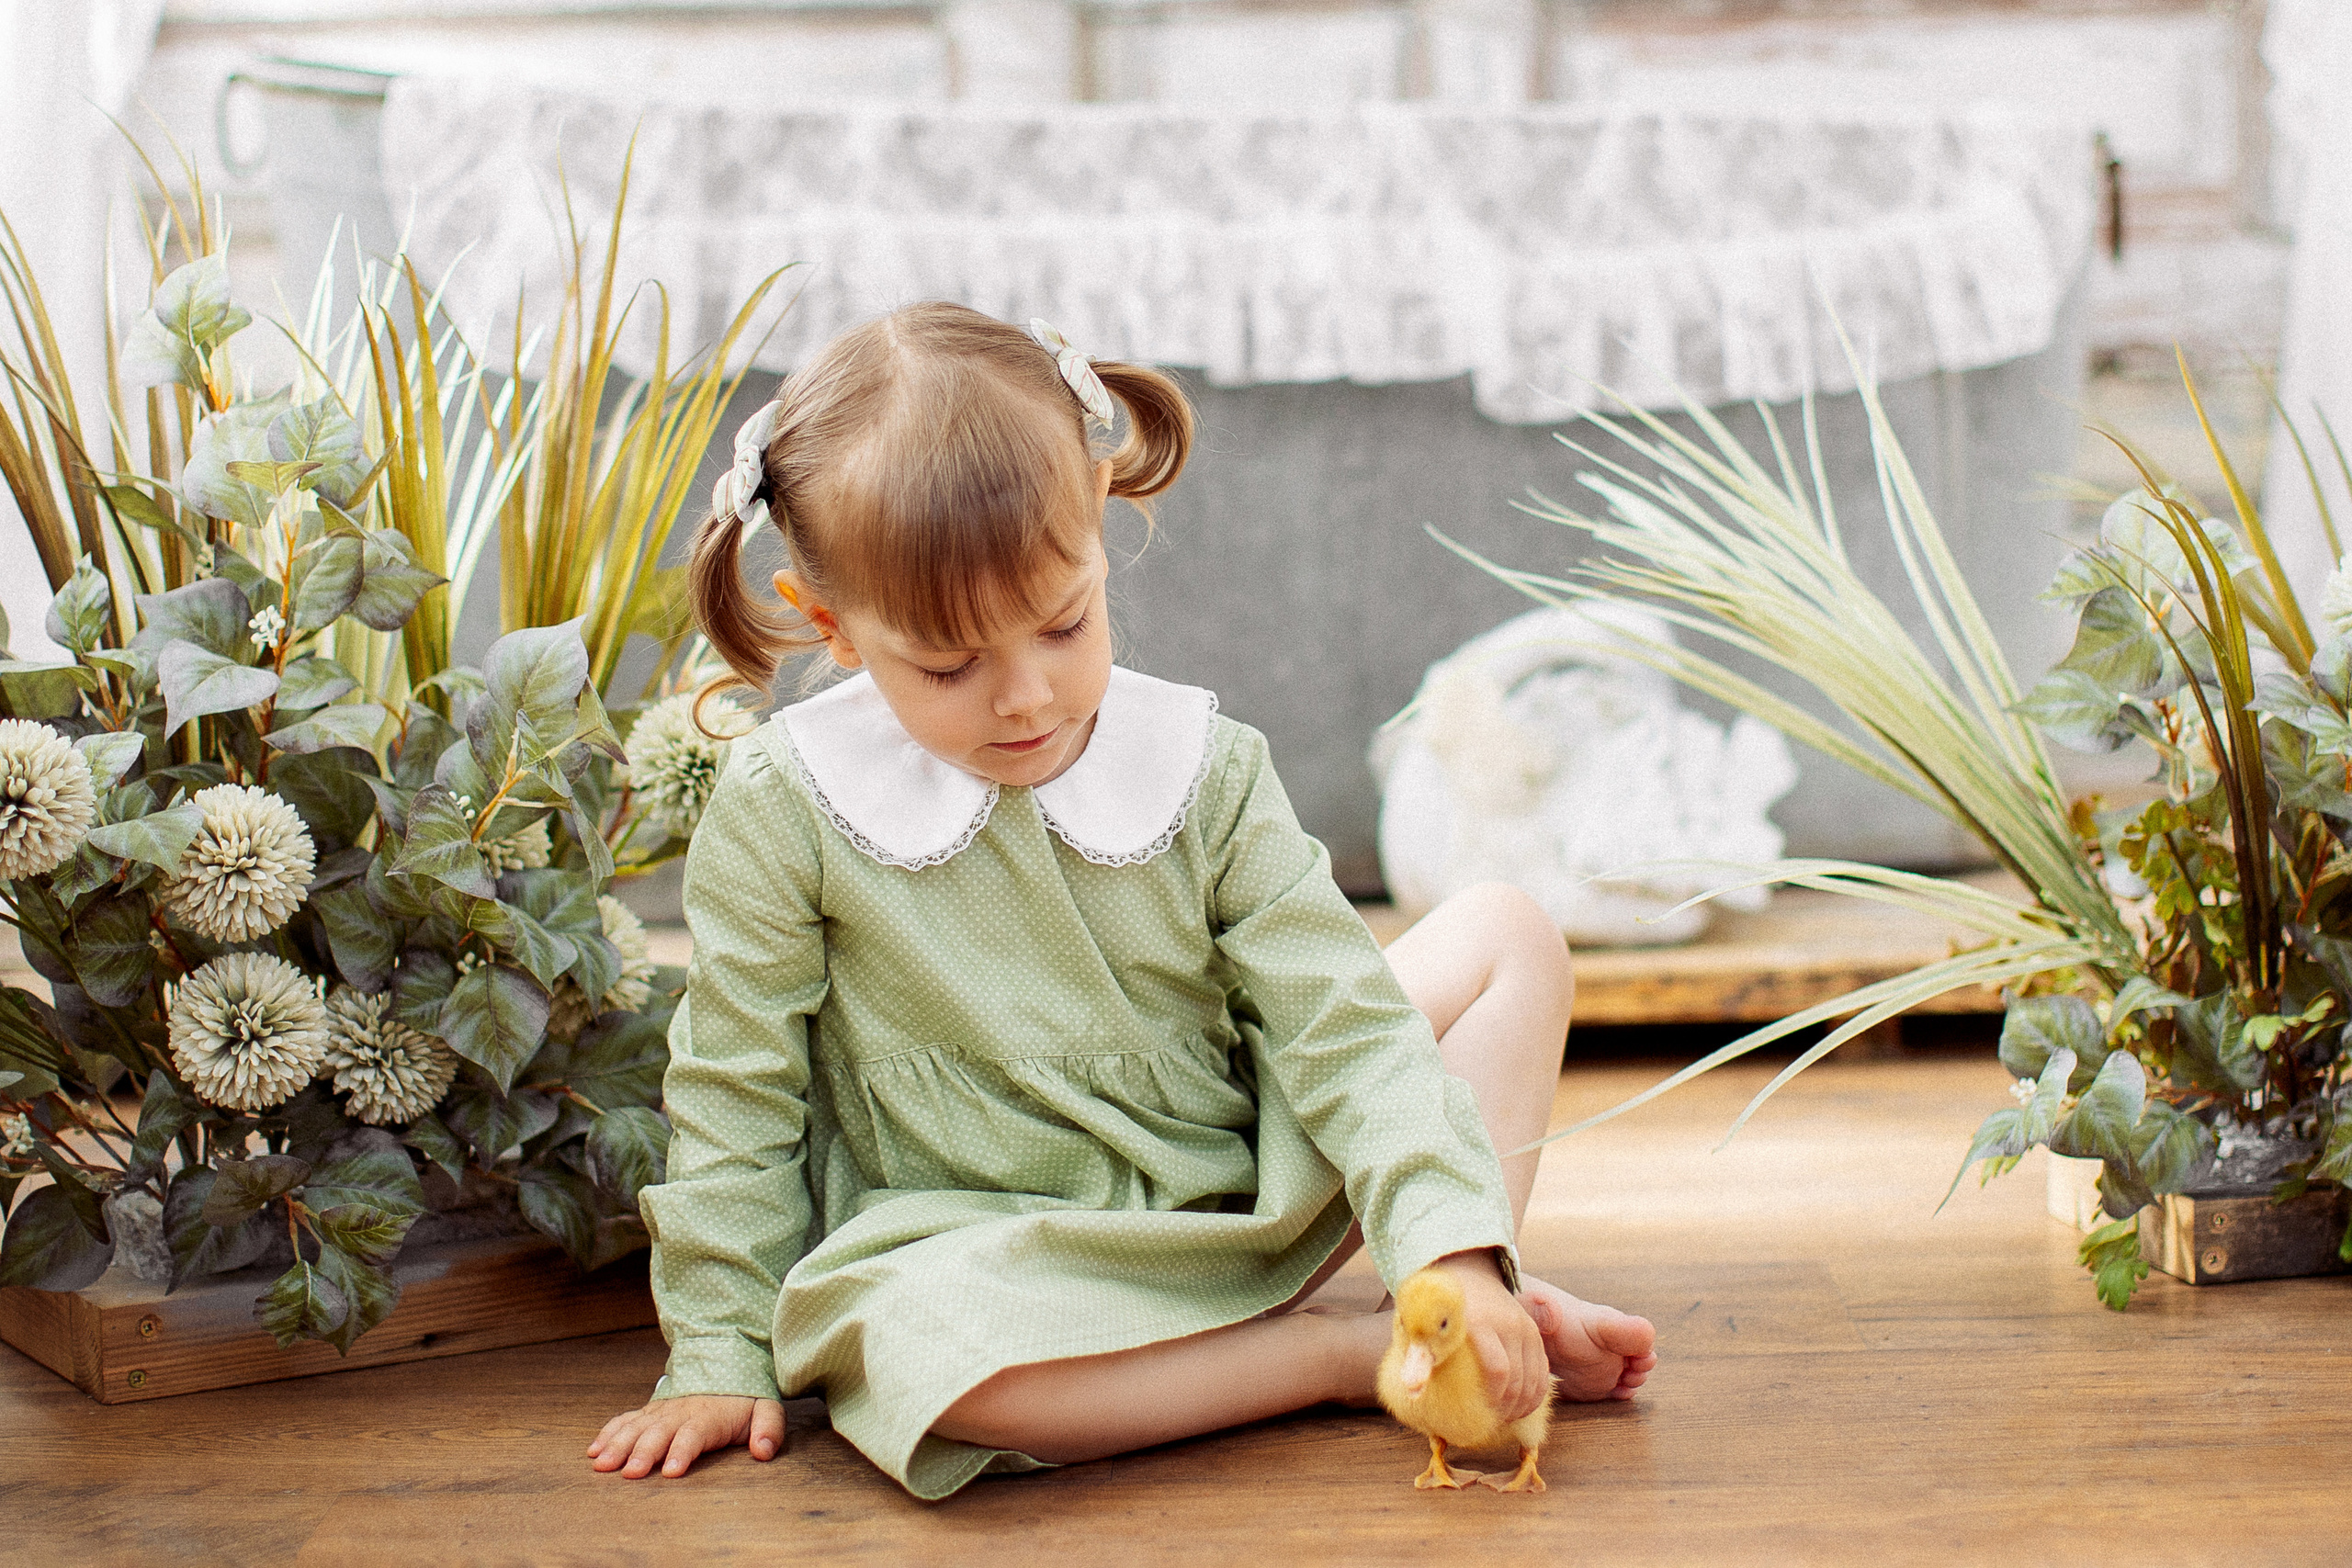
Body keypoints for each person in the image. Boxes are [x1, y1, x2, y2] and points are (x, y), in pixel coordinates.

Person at [587, 303, 1658, 1499]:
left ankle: (1457, 1305)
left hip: (1239, 1179)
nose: (1026, 698)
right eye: (947, 664)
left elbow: (1344, 1024)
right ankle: (1342, 1356)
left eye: (1064, 622)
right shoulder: (788, 806)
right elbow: (737, 1094)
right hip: (974, 1237)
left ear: (1098, 524)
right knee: (953, 1377)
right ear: (832, 627)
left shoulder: (1202, 765)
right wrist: (721, 1347)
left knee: (1506, 931)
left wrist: (1451, 1250)